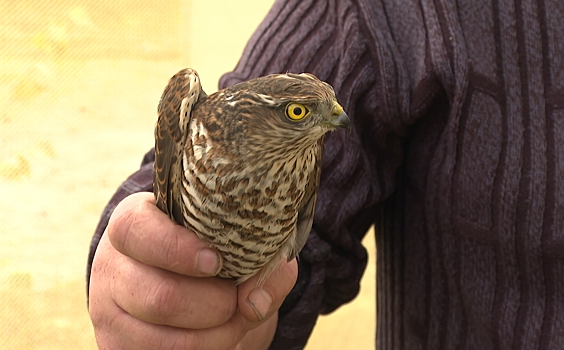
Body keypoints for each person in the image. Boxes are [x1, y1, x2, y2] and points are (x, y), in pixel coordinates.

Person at [87, 0, 564, 348]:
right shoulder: (389, 14)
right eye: (301, 114)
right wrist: (143, 281)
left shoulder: (304, 152)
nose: (333, 122)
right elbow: (155, 194)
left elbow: (299, 239)